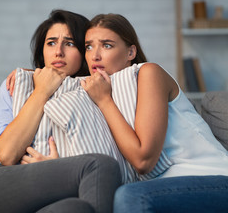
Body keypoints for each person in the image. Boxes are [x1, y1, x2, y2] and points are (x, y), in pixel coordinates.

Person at [0, 10, 122, 213]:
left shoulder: (100, 91)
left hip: (55, 196)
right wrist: (42, 91)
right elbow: (7, 154)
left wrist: (58, 168)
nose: (58, 52)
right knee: (100, 166)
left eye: (70, 43)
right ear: (42, 51)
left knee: (76, 209)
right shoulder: (15, 86)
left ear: (85, 53)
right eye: (51, 43)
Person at [80, 13, 228, 213]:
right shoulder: (98, 92)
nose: (95, 55)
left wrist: (105, 101)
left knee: (130, 195)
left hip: (215, 179)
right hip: (166, 190)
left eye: (107, 45)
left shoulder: (148, 73)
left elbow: (143, 161)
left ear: (131, 52)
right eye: (89, 46)